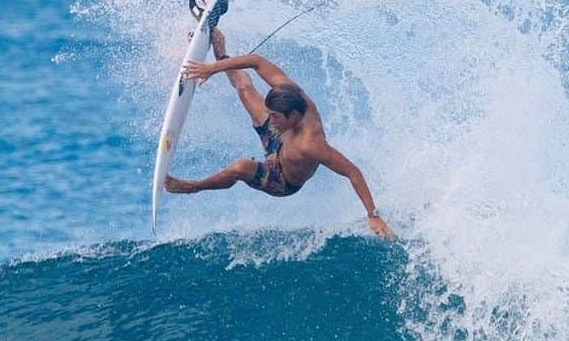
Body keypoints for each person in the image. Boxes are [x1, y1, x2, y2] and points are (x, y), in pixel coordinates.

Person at [165, 28, 396, 240]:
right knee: (245, 89)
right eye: (271, 114)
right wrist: (212, 69)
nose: (270, 119)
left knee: (240, 167)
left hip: (281, 178)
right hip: (280, 141)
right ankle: (220, 52)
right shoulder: (290, 93)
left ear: (293, 115)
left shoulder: (312, 144)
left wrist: (372, 214)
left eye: (275, 116)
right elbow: (256, 61)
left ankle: (193, 187)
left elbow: (353, 172)